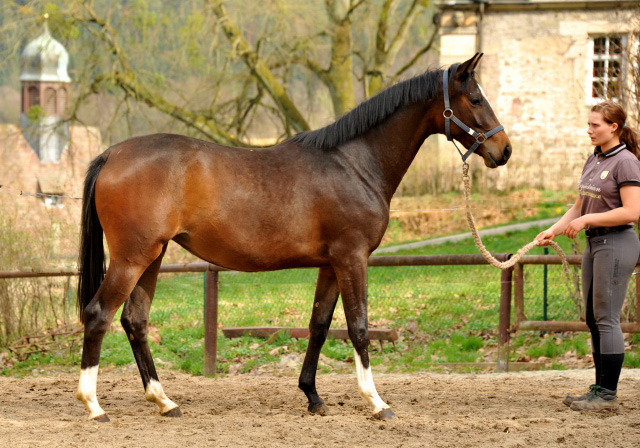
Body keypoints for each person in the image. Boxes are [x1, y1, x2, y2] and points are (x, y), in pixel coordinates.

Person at [536, 100, 640, 411]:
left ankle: (607, 395)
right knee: (594, 320)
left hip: (617, 243)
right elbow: (579, 206)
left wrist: (586, 221)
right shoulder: (594, 159)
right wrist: (554, 229)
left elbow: (633, 210)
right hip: (596, 246)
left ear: (614, 127)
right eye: (589, 124)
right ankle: (598, 388)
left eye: (595, 125)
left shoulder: (626, 162)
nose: (589, 130)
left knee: (607, 319)